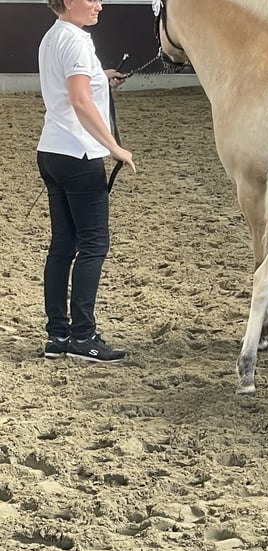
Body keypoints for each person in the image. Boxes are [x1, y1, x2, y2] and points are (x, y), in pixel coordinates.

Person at [37, 0, 135, 363]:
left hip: (52, 150)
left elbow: (75, 89)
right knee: (93, 244)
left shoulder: (55, 36)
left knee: (63, 244)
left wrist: (101, 77)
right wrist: (114, 148)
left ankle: (58, 335)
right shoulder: (77, 41)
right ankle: (83, 336)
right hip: (80, 155)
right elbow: (79, 100)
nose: (99, 4)